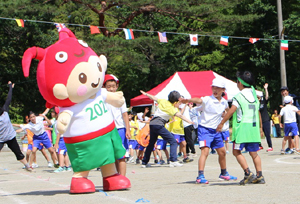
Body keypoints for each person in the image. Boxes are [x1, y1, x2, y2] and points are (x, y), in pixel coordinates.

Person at [180, 78, 236, 184]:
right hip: (204, 129)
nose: (215, 90)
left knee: (222, 152)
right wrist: (189, 100)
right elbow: (199, 100)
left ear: (223, 90)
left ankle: (224, 173)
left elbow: (228, 111)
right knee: (205, 152)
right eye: (213, 87)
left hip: (216, 131)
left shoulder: (224, 102)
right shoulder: (207, 99)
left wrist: (224, 114)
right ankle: (200, 176)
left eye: (218, 88)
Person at [217, 70, 265, 185]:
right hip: (253, 128)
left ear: (240, 83)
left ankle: (248, 173)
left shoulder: (239, 96)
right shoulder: (255, 95)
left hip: (242, 128)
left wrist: (222, 123)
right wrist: (261, 127)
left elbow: (232, 111)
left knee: (236, 151)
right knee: (254, 153)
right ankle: (259, 175)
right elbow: (258, 112)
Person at [140, 90, 194, 168]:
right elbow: (180, 115)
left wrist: (146, 94)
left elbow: (153, 98)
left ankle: (144, 163)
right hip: (159, 124)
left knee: (151, 143)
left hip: (152, 124)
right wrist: (189, 121)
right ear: (176, 100)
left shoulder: (163, 101)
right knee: (173, 141)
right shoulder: (172, 108)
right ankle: (173, 160)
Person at [0, 81, 32, 172]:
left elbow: (8, 99)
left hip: (10, 137)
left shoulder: (4, 111)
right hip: (1, 139)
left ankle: (27, 166)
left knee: (18, 152)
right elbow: (8, 99)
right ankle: (27, 165)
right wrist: (10, 87)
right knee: (18, 152)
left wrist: (10, 87)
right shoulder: (5, 111)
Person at [103, 74, 130, 176]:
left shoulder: (120, 98)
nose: (111, 89)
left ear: (117, 87)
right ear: (104, 87)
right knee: (112, 155)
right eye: (108, 87)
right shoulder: (103, 99)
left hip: (119, 129)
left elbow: (125, 114)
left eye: (113, 86)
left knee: (121, 155)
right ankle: (116, 176)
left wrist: (127, 129)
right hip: (108, 129)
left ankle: (122, 177)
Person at [257, 83, 273, 152]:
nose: (258, 98)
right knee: (257, 134)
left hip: (265, 120)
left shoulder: (263, 102)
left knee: (267, 134)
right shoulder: (255, 104)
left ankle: (270, 146)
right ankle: (259, 145)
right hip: (259, 121)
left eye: (258, 97)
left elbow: (267, 97)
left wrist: (266, 89)